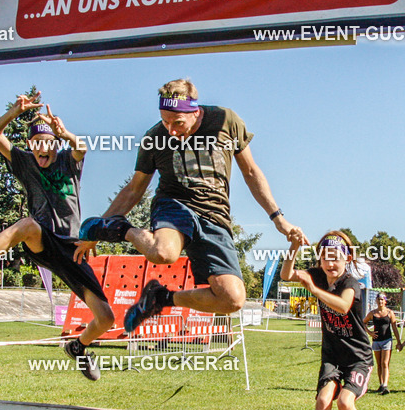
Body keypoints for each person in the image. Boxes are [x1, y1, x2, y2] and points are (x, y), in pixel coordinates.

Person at [76, 79, 306, 332]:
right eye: (165, 121)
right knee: (163, 253)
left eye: (178, 123)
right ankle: (120, 229)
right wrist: (98, 230)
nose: (171, 130)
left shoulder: (226, 121)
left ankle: (161, 298)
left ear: (195, 111)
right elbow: (134, 189)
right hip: (174, 205)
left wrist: (278, 217)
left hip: (215, 217)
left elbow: (251, 172)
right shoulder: (154, 138)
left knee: (233, 299)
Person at [0, 92, 114, 380]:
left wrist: (65, 133)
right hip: (42, 240)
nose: (43, 150)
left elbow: (82, 147)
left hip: (73, 249)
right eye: (37, 144)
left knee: (106, 318)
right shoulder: (24, 162)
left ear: (56, 144)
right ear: (30, 145)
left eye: (49, 143)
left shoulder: (68, 161)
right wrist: (14, 112)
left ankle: (78, 348)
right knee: (27, 225)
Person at [281, 230, 372, 410]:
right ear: (320, 259)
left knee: (345, 402)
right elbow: (286, 274)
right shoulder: (318, 276)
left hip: (358, 359)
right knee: (322, 402)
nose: (330, 264)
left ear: (347, 258)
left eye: (335, 258)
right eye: (325, 258)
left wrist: (314, 290)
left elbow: (342, 306)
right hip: (332, 358)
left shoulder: (350, 283)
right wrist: (294, 247)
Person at [363, 293, 401, 394]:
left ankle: (385, 385)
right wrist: (370, 333)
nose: (380, 302)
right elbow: (363, 323)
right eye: (378, 300)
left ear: (385, 301)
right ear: (376, 301)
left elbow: (394, 327)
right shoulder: (372, 313)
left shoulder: (389, 313)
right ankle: (381, 384)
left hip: (387, 340)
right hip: (376, 341)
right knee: (379, 364)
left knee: (385, 363)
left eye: (382, 300)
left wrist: (398, 341)